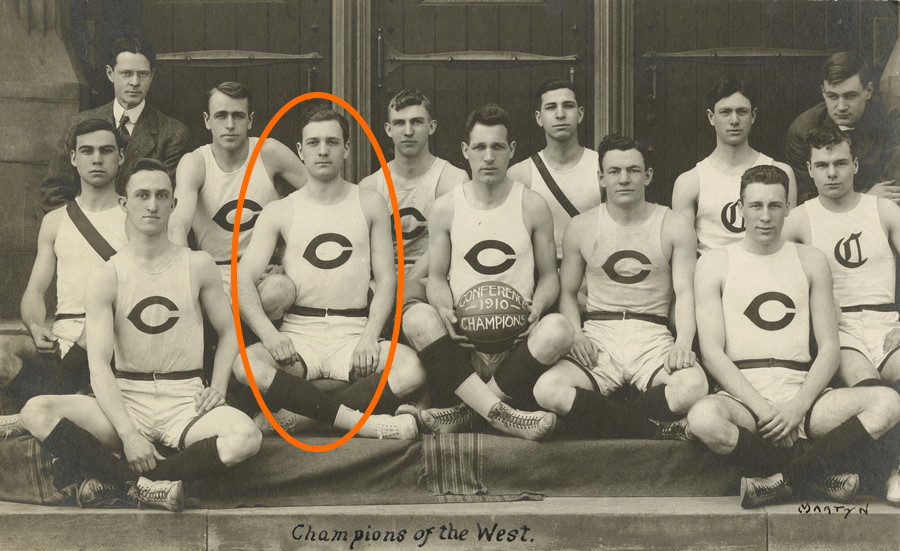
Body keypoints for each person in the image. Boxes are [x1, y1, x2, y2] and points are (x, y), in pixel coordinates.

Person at [19, 158, 263, 512]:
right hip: (127, 398)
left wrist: (218, 388)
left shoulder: (198, 265)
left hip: (185, 398)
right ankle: (147, 488)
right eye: (142, 195)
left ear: (173, 204)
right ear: (124, 203)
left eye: (162, 195)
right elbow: (98, 364)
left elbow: (229, 332)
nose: (152, 205)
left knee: (247, 436)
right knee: (35, 411)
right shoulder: (107, 275)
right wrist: (128, 434)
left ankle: (133, 483)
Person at [688, 164, 900, 508]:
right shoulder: (714, 263)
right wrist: (764, 409)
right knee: (702, 418)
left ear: (788, 208)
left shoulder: (810, 260)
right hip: (744, 394)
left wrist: (796, 407)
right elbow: (712, 352)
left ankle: (782, 481)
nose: (765, 216)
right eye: (756, 206)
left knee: (888, 403)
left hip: (801, 389)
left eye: (775, 205)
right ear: (740, 208)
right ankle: (814, 478)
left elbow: (830, 348)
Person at [234, 107, 423, 439]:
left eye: (332, 142)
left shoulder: (370, 202)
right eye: (314, 143)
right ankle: (365, 424)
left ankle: (300, 419)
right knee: (245, 366)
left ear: (346, 149)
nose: (323, 150)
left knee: (412, 368)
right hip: (299, 333)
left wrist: (370, 335)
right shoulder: (280, 210)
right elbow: (242, 279)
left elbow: (387, 277)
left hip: (353, 332)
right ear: (300, 150)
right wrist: (270, 335)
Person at [400, 104, 574, 441]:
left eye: (497, 147)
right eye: (480, 147)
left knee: (560, 329)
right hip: (462, 346)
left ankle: (468, 412)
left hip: (516, 344)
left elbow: (549, 276)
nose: (489, 157)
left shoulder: (533, 205)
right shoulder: (446, 207)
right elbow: (436, 278)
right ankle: (501, 415)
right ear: (466, 151)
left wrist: (537, 309)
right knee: (417, 318)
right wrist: (445, 312)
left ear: (512, 150)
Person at [533, 134, 707, 439]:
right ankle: (652, 429)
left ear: (647, 175)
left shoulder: (674, 225)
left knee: (694, 386)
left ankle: (601, 421)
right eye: (614, 171)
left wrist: (683, 342)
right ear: (601, 178)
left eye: (633, 170)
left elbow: (685, 293)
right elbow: (568, 292)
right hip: (600, 333)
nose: (624, 179)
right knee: (546, 389)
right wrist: (576, 335)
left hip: (652, 334)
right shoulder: (582, 226)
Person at [2, 120, 128, 430]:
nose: (96, 159)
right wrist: (35, 327)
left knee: (94, 336)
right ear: (73, 158)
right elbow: (35, 291)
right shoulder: (56, 220)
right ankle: (52, 409)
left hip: (115, 342)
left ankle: (28, 420)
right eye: (87, 151)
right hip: (62, 343)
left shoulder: (134, 217)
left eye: (106, 150)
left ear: (121, 157)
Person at [784, 126, 900, 390]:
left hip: (885, 322)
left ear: (855, 165)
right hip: (838, 329)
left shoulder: (883, 210)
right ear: (810, 169)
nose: (832, 173)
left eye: (840, 163)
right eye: (822, 165)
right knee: (869, 389)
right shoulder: (798, 219)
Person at [168, 81, 308, 295]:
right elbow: (178, 224)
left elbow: (319, 195)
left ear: (250, 120)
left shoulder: (269, 152)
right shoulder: (195, 163)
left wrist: (290, 258)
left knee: (281, 290)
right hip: (215, 272)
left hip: (264, 271)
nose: (230, 125)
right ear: (207, 120)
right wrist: (185, 274)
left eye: (238, 116)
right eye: (221, 116)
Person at [41, 37, 189, 214]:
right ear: (110, 73)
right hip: (85, 227)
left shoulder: (172, 133)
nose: (135, 82)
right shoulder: (79, 124)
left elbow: (165, 201)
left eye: (142, 74)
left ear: (152, 75)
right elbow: (54, 193)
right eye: (127, 73)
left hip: (139, 229)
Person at [673, 76, 797, 255]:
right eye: (725, 112)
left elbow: (787, 245)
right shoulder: (690, 181)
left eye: (742, 112)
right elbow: (685, 255)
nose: (734, 120)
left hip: (767, 269)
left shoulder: (781, 173)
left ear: (753, 116)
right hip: (713, 270)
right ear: (711, 117)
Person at [359, 89, 468, 283]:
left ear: (431, 127)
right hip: (384, 283)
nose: (408, 131)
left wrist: (405, 286)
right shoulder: (371, 186)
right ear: (388, 129)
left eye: (416, 122)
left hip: (434, 281)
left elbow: (454, 245)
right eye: (399, 123)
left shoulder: (452, 179)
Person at [786, 51, 900, 205]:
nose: (841, 107)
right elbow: (806, 198)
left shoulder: (891, 119)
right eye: (832, 96)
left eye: (850, 96)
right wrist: (865, 199)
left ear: (869, 91)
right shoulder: (802, 130)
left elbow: (892, 189)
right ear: (823, 92)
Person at [507, 79, 602, 261]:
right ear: (539, 118)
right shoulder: (520, 174)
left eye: (568, 106)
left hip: (592, 271)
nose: (560, 114)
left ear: (580, 114)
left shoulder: (601, 165)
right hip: (542, 272)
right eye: (551, 107)